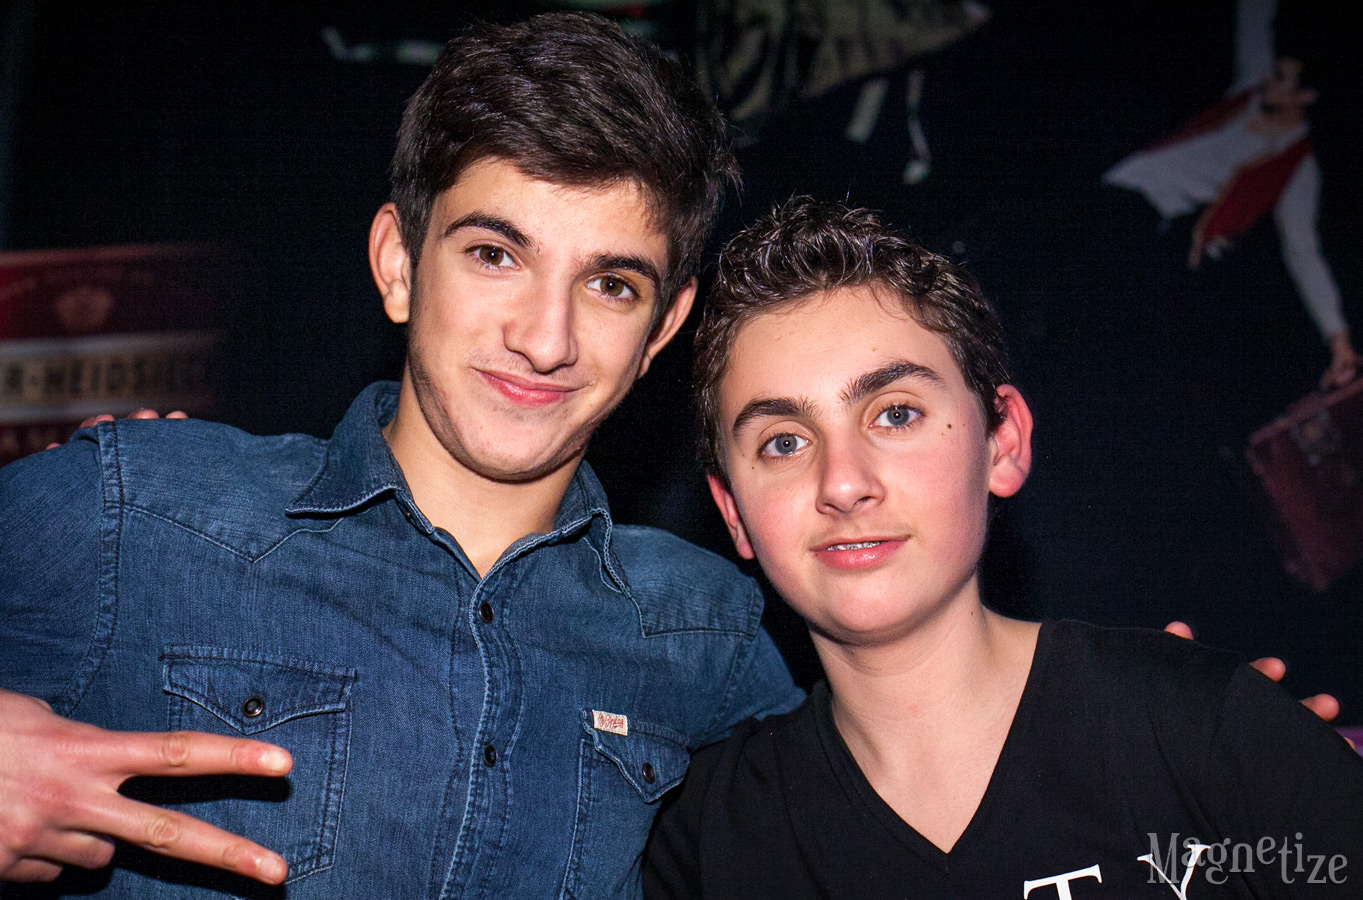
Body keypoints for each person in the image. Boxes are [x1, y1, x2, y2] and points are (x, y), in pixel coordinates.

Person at [0, 14, 804, 897]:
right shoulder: (137, 514)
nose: (546, 340)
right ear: (398, 265)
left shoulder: (704, 634)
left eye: (610, 285)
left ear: (662, 328)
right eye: (495, 255)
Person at [643, 197, 1363, 898]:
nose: (844, 483)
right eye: (783, 443)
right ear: (733, 512)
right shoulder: (706, 846)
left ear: (1003, 443)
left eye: (895, 415)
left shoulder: (1197, 729)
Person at [1103, 0, 1358, 389]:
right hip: (1123, 180)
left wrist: (1338, 338)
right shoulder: (1251, 91)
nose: (1269, 81)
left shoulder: (1296, 165)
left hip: (1146, 213)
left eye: (1282, 79)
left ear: (1305, 97)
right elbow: (1254, 19)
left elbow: (1303, 252)